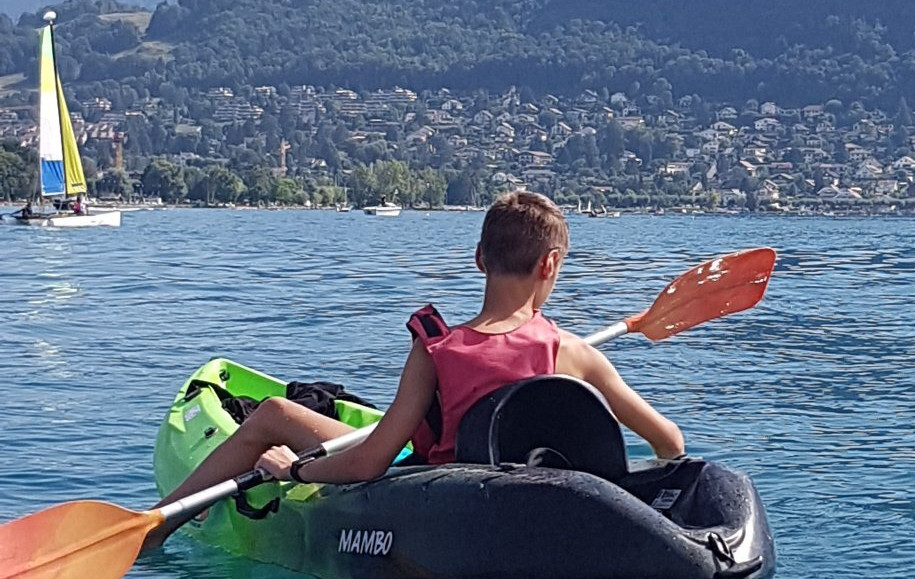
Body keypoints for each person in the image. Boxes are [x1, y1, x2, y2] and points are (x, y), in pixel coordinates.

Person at [149, 191, 683, 541]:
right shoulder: (574, 354)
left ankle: (160, 523)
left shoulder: (435, 349)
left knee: (269, 413)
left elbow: (369, 464)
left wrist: (295, 470)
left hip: (437, 492)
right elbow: (671, 444)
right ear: (550, 265)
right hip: (534, 510)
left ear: (479, 260)